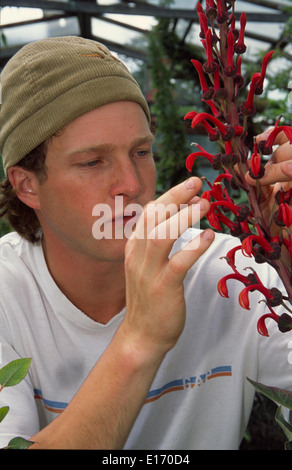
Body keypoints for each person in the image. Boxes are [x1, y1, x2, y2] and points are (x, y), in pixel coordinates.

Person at [0, 36, 291, 450]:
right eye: (92, 162)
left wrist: (289, 265)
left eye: (140, 151)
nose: (133, 185)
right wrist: (140, 339)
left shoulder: (230, 270)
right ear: (27, 185)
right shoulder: (6, 297)